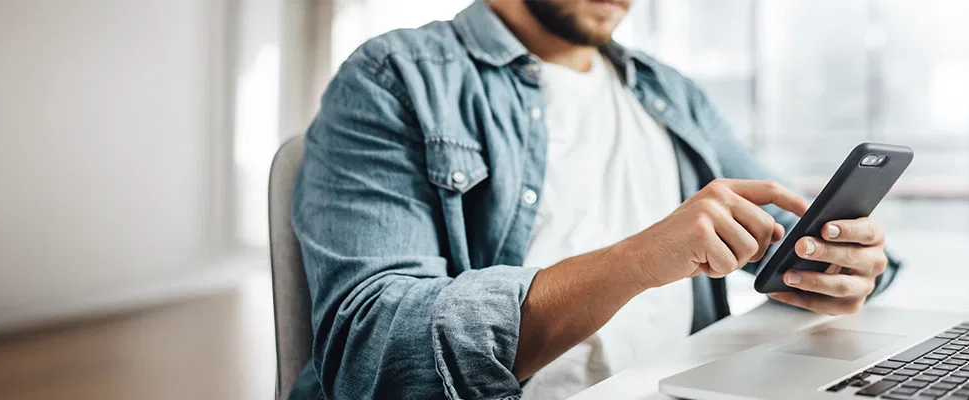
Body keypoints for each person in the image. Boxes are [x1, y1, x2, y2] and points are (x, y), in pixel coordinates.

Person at [289, 0, 900, 398]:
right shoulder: (396, 76)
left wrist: (843, 262)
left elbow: (784, 234)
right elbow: (369, 350)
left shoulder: (667, 91)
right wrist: (636, 260)